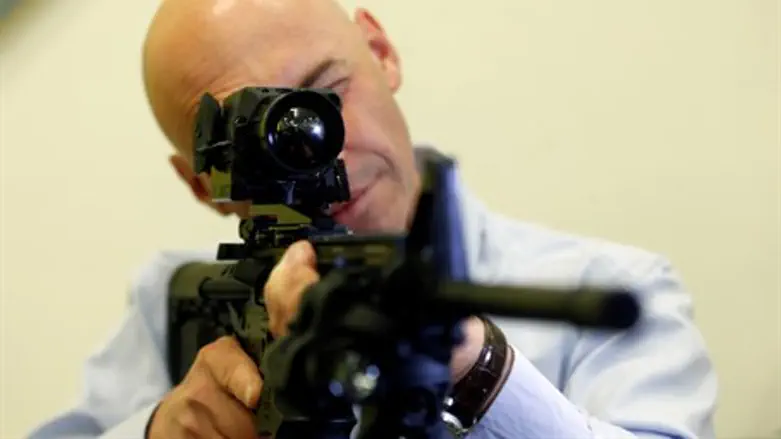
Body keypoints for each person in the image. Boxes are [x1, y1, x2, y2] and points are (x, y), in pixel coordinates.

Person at [27, 0, 719, 438]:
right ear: (200, 182)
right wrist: (157, 431)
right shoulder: (169, 301)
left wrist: (478, 371)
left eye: (324, 94)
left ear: (381, 52)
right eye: (246, 142)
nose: (314, 149)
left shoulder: (611, 282)